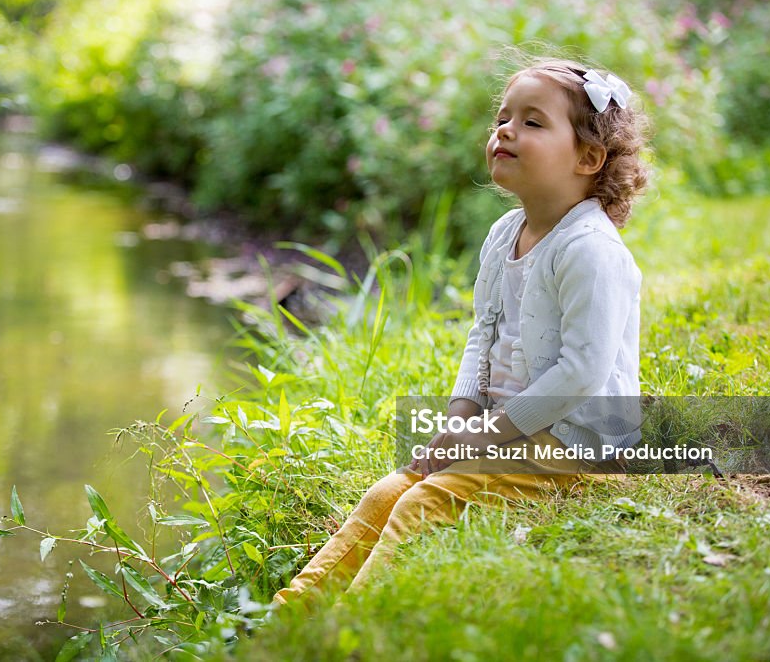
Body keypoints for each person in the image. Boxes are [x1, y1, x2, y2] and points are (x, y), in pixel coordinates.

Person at [272, 58, 649, 608]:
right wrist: (460, 418)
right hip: (508, 428)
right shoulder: (503, 236)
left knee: (422, 504)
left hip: (579, 443)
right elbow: (484, 332)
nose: (505, 130)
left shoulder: (589, 249)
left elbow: (582, 373)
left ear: (589, 157)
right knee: (388, 492)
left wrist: (488, 436)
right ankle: (290, 614)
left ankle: (352, 629)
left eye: (532, 122)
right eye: (503, 117)